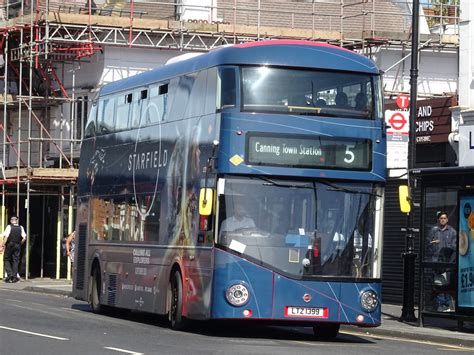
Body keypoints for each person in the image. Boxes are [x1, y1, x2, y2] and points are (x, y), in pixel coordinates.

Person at [428, 211, 457, 312]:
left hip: (447, 264)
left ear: (447, 220)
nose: (443, 220)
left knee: (446, 283)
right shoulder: (434, 231)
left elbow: (454, 248)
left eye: (444, 218)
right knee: (437, 284)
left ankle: (446, 304)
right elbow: (428, 246)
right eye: (441, 218)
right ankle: (440, 305)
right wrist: (432, 244)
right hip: (435, 262)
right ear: (438, 220)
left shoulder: (452, 232)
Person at [1, 216, 26, 283]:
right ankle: (14, 277)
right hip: (17, 245)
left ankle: (9, 275)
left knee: (6, 259)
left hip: (10, 244)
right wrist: (19, 244)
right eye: (12, 219)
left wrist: (2, 244)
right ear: (17, 221)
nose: (13, 220)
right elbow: (24, 238)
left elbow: (6, 236)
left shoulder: (9, 227)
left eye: (13, 219)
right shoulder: (21, 227)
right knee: (16, 260)